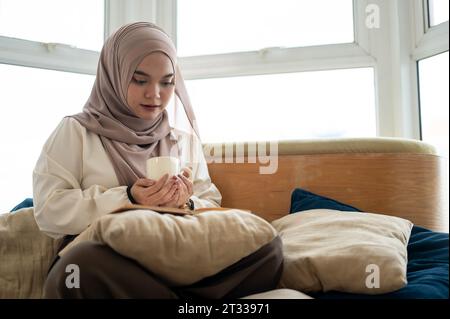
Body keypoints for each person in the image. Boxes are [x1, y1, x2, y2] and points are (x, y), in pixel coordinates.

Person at [33, 22, 283, 299]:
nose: (155, 94)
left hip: (173, 254)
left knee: (268, 249)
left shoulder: (183, 140)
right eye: (139, 80)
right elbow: (48, 211)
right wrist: (129, 198)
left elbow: (210, 203)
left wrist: (185, 201)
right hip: (111, 258)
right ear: (113, 76)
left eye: (167, 82)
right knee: (76, 270)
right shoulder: (76, 132)